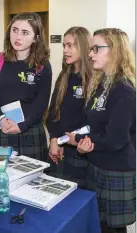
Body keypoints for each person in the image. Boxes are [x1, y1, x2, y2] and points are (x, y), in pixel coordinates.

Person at [67, 28, 136, 233]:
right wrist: (82, 141)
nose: (90, 54)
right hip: (97, 165)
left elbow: (115, 140)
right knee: (99, 225)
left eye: (96, 48)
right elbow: (95, 124)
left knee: (112, 229)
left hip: (115, 170)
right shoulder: (102, 83)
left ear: (115, 51)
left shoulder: (124, 89)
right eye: (91, 49)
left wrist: (79, 138)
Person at [0, 12, 52, 161]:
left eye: (25, 32)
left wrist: (23, 125)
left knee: (33, 179)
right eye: (14, 30)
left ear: (36, 38)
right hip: (1, 128)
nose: (18, 37)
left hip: (29, 131)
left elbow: (42, 102)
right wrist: (1, 119)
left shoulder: (42, 65)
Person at [46, 27, 92, 187]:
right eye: (64, 46)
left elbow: (93, 120)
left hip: (81, 150)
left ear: (84, 47)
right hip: (58, 148)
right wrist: (54, 140)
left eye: (70, 46)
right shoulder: (64, 75)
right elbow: (53, 111)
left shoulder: (93, 79)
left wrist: (73, 140)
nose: (65, 50)